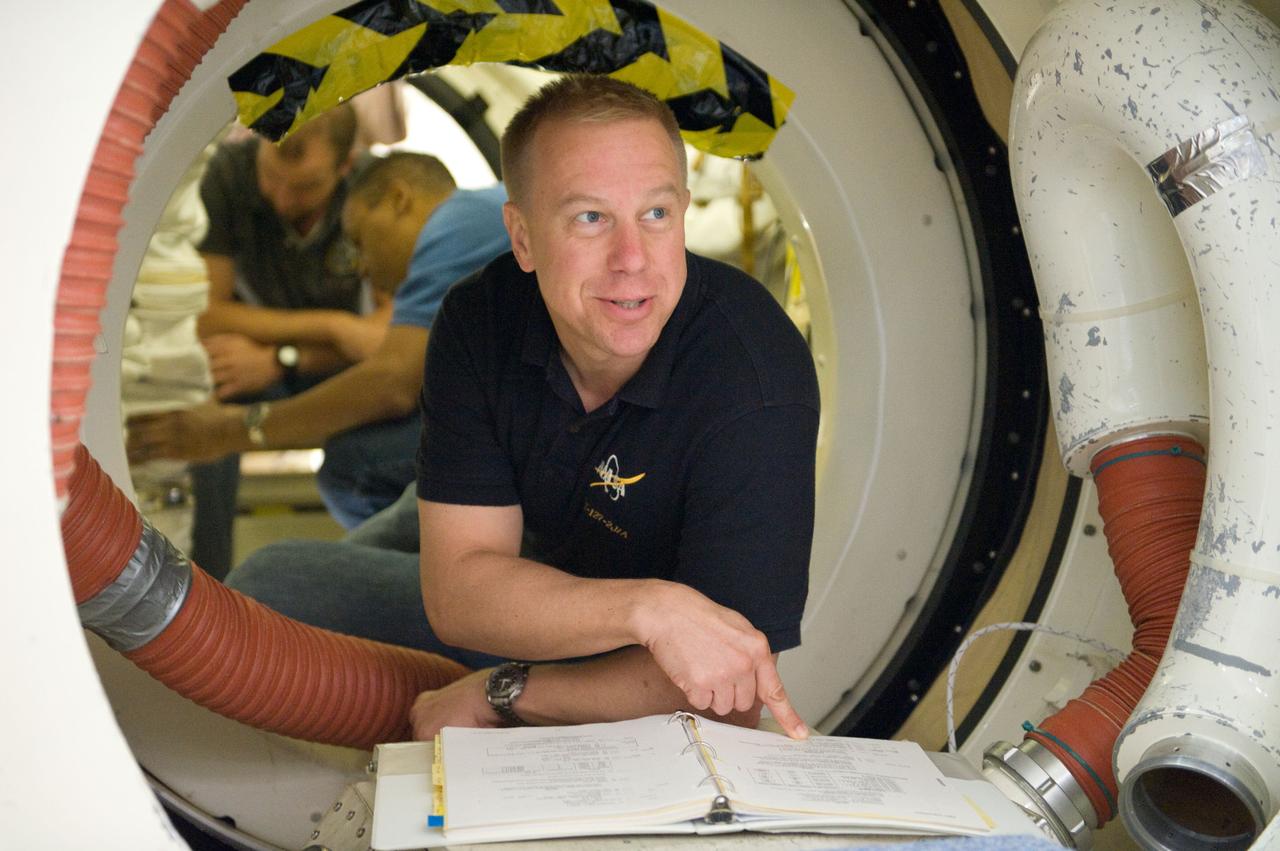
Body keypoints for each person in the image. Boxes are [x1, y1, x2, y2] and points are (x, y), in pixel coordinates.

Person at [127, 152, 511, 529]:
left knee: (352, 469)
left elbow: (391, 384)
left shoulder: (456, 223)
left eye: (359, 241)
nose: (361, 266)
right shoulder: (488, 216)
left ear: (399, 199)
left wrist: (225, 431)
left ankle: (439, 580)